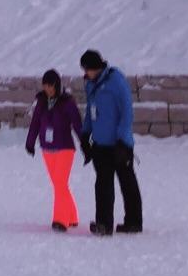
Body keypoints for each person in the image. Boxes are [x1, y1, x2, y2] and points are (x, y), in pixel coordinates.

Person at [79, 48, 142, 235]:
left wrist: (123, 141)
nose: (85, 73)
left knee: (127, 182)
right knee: (103, 184)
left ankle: (134, 222)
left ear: (95, 67)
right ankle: (103, 224)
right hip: (100, 143)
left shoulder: (117, 82)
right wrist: (85, 134)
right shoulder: (90, 85)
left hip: (119, 145)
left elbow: (127, 113)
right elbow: (90, 110)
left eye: (86, 69)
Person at [23, 68, 83, 232]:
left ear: (57, 85)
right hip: (47, 148)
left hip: (64, 148)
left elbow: (78, 125)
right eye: (45, 85)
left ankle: (60, 220)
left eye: (50, 85)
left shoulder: (68, 103)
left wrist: (86, 146)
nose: (47, 88)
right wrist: (30, 142)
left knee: (60, 183)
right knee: (58, 184)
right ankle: (72, 216)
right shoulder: (41, 102)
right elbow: (35, 123)